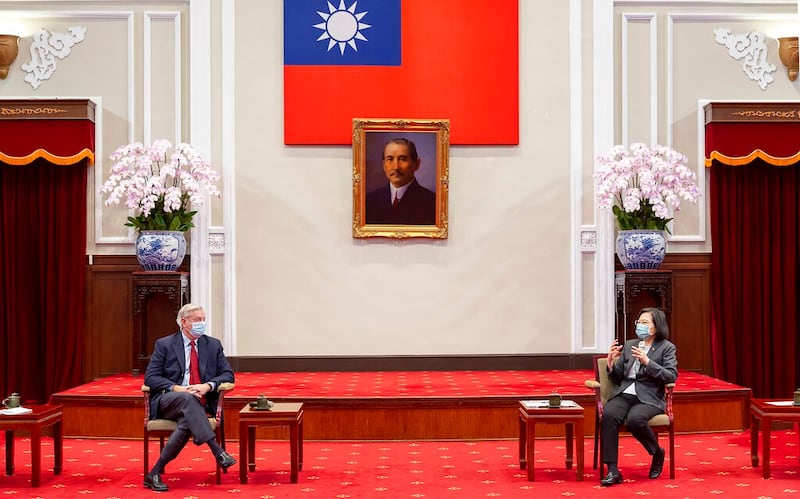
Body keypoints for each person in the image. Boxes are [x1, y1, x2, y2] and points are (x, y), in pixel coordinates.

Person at [142, 303, 236, 492]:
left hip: (199, 402)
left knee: (186, 420)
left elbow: (228, 375)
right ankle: (217, 451)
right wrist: (177, 388)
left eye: (204, 319)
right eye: (197, 320)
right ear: (184, 322)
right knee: (187, 399)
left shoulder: (213, 345)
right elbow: (151, 378)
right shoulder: (165, 344)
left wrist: (207, 386)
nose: (202, 323)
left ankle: (154, 473)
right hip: (168, 400)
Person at [600, 307, 677, 486]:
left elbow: (671, 376)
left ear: (656, 327)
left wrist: (648, 362)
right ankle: (612, 470)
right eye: (638, 322)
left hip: (650, 396)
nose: (640, 326)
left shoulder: (667, 348)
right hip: (625, 392)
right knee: (609, 415)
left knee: (635, 419)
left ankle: (657, 452)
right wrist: (611, 363)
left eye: (645, 322)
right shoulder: (630, 345)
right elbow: (618, 377)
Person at [365, 137, 436, 225]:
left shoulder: (432, 203)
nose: (396, 167)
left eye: (403, 159)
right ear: (384, 165)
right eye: (390, 159)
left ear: (416, 164)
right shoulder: (369, 201)